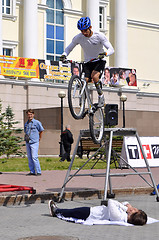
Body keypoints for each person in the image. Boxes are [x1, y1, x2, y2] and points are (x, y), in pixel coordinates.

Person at [60, 16, 114, 107]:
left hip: (99, 60)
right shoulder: (78, 37)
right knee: (84, 81)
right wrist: (64, 55)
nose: (84, 33)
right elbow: (69, 48)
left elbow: (111, 49)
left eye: (85, 30)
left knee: (95, 76)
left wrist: (105, 53)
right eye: (82, 31)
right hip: (87, 62)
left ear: (90, 27)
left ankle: (101, 96)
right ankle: (85, 100)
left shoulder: (99, 36)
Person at [48, 199, 147, 226]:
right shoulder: (123, 216)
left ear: (131, 215)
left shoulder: (119, 216)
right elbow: (122, 203)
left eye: (134, 210)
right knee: (73, 211)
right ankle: (57, 211)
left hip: (90, 213)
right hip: (92, 211)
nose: (133, 208)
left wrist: (124, 208)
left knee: (72, 212)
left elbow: (111, 202)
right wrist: (127, 204)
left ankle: (56, 211)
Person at [24, 109, 44, 176]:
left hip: (34, 142)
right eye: (28, 114)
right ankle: (32, 171)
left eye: (31, 114)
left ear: (33, 114)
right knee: (29, 157)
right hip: (28, 142)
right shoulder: (26, 123)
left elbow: (41, 130)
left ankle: (38, 171)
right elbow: (25, 131)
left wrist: (39, 138)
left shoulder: (37, 122)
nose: (30, 116)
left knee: (34, 157)